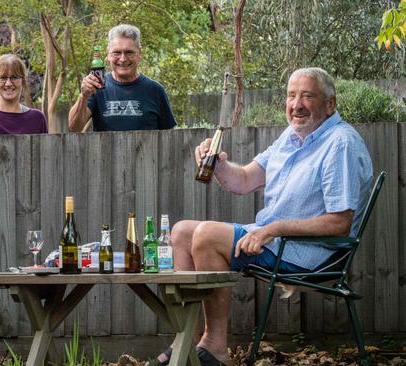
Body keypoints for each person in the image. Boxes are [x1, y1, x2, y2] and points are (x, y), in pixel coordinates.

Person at [153, 67, 373, 366]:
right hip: (275, 239)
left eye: (307, 96)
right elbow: (243, 180)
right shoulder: (292, 136)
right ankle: (186, 341)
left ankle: (214, 345)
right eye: (291, 96)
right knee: (181, 232)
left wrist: (274, 228)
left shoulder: (340, 143)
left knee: (206, 235)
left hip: (309, 252)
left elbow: (340, 222)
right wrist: (216, 164)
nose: (296, 105)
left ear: (330, 104)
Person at [68, 24, 177, 132]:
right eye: (116, 53)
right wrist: (83, 96)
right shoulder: (96, 88)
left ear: (139, 53)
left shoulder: (156, 90)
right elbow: (74, 127)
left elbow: (169, 137)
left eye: (129, 52)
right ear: (108, 55)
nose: (123, 59)